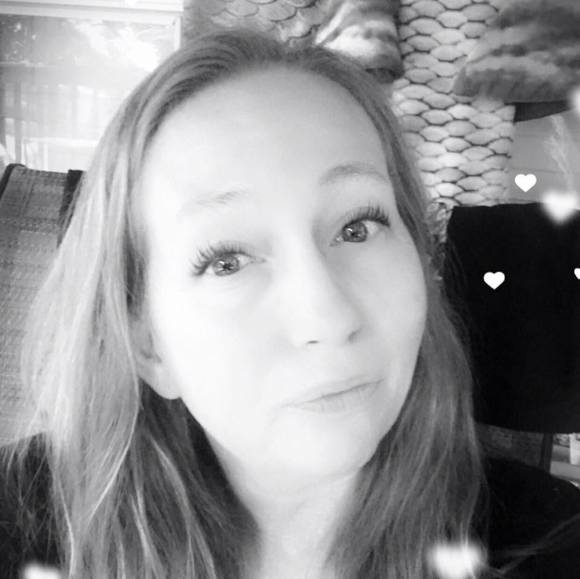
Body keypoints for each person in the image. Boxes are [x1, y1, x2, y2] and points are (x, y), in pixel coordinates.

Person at [1, 26, 580, 579]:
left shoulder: (556, 542)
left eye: (357, 227)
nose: (328, 316)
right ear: (149, 345)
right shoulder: (21, 527)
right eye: (227, 260)